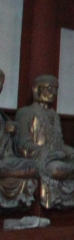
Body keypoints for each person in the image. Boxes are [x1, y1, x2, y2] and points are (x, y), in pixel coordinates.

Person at [13, 75, 74, 209]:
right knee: (57, 169)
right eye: (48, 88)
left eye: (55, 89)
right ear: (36, 89)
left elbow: (60, 144)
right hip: (41, 158)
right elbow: (22, 145)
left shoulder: (54, 115)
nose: (52, 93)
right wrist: (48, 153)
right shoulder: (25, 113)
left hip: (59, 158)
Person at [0, 69, 40, 210]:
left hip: (5, 160)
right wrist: (4, 132)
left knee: (32, 166)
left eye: (1, 85)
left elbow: (10, 148)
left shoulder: (2, 114)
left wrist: (12, 132)